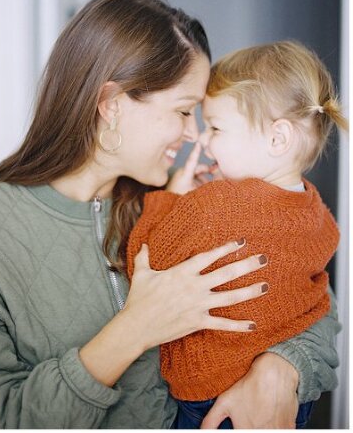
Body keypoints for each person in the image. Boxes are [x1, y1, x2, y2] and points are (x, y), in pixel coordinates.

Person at [0, 0, 340, 429]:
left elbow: (310, 297)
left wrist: (280, 370)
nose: (193, 135)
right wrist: (135, 329)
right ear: (111, 104)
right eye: (184, 111)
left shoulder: (180, 201)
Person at [125, 40, 347, 428]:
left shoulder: (218, 205)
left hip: (210, 398)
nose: (204, 140)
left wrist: (169, 200)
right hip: (290, 399)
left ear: (277, 139)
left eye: (215, 127)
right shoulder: (317, 213)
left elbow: (144, 263)